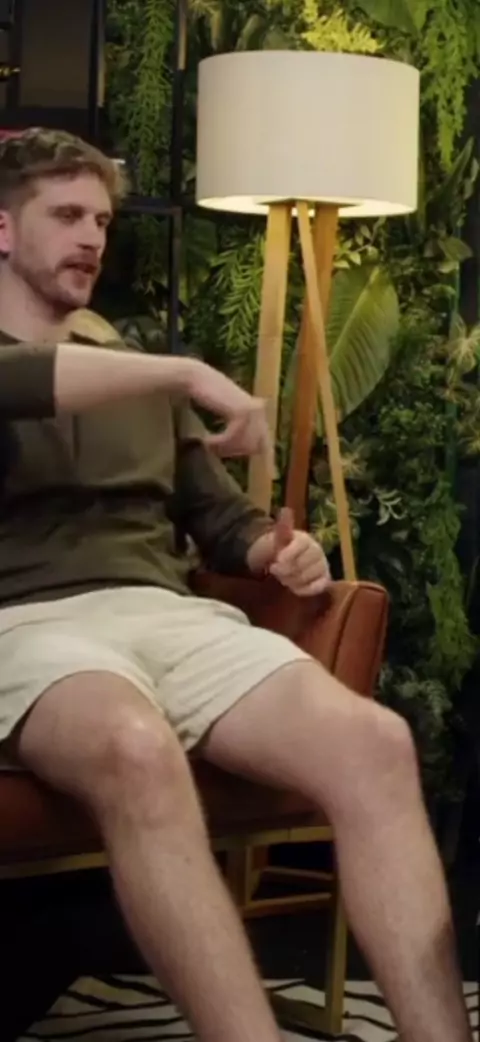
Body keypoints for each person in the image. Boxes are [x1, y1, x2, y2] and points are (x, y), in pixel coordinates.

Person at [0, 128, 472, 1042]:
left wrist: (271, 551)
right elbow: (23, 383)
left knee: (375, 743)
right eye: (66, 215)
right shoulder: (145, 371)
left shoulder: (138, 375)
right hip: (24, 623)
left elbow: (219, 517)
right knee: (134, 745)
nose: (92, 236)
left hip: (164, 614)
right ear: (4, 230)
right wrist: (183, 369)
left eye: (101, 219)